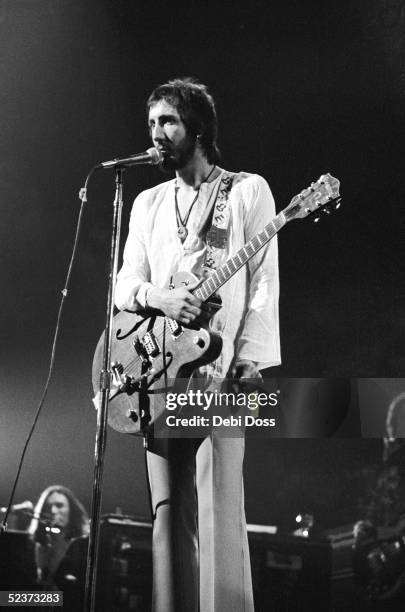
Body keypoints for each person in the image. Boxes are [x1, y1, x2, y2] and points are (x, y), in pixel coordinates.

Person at [114, 77, 281, 611]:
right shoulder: (147, 202)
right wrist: (159, 299)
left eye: (168, 121)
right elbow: (124, 284)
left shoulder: (247, 191)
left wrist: (250, 357)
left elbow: (263, 282)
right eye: (151, 124)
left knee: (218, 515)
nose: (156, 133)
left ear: (199, 127)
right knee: (168, 519)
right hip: (159, 371)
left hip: (222, 374)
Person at [27, 485, 89, 588]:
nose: (53, 511)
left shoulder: (84, 545)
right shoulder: (34, 543)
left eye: (59, 505)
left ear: (71, 510)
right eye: (48, 506)